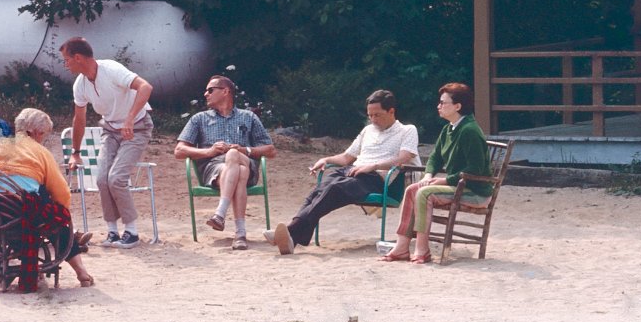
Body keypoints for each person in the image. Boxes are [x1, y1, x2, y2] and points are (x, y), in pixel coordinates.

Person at [267, 90, 420, 255]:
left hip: (378, 178)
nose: (373, 120)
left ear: (391, 111)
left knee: (335, 189)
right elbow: (347, 157)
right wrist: (326, 160)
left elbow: (405, 157)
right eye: (370, 115)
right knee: (321, 187)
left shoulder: (407, 130)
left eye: (377, 115)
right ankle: (292, 237)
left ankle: (290, 232)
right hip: (353, 170)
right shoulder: (368, 131)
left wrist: (374, 166)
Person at [0, 107, 94, 289]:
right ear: (36, 132)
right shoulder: (40, 152)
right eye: (44, 135)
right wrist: (61, 210)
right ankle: (81, 272)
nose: (43, 139)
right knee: (57, 220)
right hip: (21, 217)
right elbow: (62, 193)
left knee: (34, 204)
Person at [381, 82, 492, 265]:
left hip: (475, 191)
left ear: (457, 106)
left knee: (425, 193)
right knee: (412, 190)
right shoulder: (449, 128)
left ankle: (422, 250)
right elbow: (434, 157)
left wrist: (443, 181)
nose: (438, 106)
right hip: (457, 185)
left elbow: (475, 169)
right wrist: (428, 175)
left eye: (443, 103)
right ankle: (401, 247)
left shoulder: (469, 131)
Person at [60, 36, 153, 249]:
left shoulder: (111, 69)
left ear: (77, 57)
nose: (65, 64)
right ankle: (112, 231)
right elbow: (79, 118)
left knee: (117, 178)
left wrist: (129, 118)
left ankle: (132, 232)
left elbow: (145, 87)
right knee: (102, 179)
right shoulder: (80, 84)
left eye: (66, 60)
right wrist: (75, 151)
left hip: (137, 127)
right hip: (110, 130)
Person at [174, 75, 277, 250]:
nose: (205, 94)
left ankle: (220, 213)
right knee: (239, 172)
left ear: (225, 91)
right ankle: (240, 234)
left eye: (210, 90)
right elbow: (179, 151)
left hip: (246, 162)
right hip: (214, 169)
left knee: (233, 154)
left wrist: (246, 150)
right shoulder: (199, 119)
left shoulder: (248, 117)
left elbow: (270, 150)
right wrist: (209, 151)